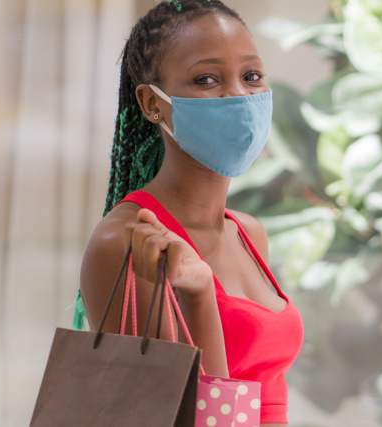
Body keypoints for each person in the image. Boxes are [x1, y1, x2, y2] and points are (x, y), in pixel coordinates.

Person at [75, 1, 303, 425]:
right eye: (206, 79)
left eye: (252, 76)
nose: (239, 95)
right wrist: (198, 295)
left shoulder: (249, 233)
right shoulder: (127, 242)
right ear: (152, 103)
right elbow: (185, 417)